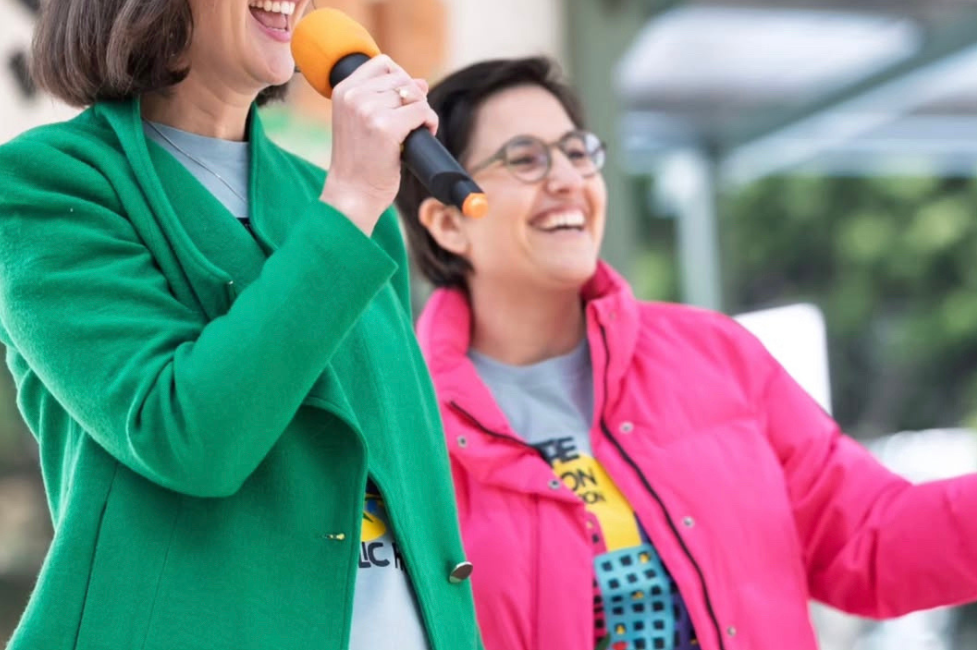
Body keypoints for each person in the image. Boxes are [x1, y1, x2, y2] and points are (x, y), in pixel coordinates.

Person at [0, 0, 479, 650]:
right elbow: (189, 435)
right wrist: (353, 199)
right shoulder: (51, 183)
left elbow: (413, 487)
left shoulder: (331, 200)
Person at [395, 55, 977, 650]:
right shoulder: (404, 427)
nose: (568, 179)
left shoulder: (713, 354)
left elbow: (869, 540)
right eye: (525, 159)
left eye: (576, 152)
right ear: (447, 223)